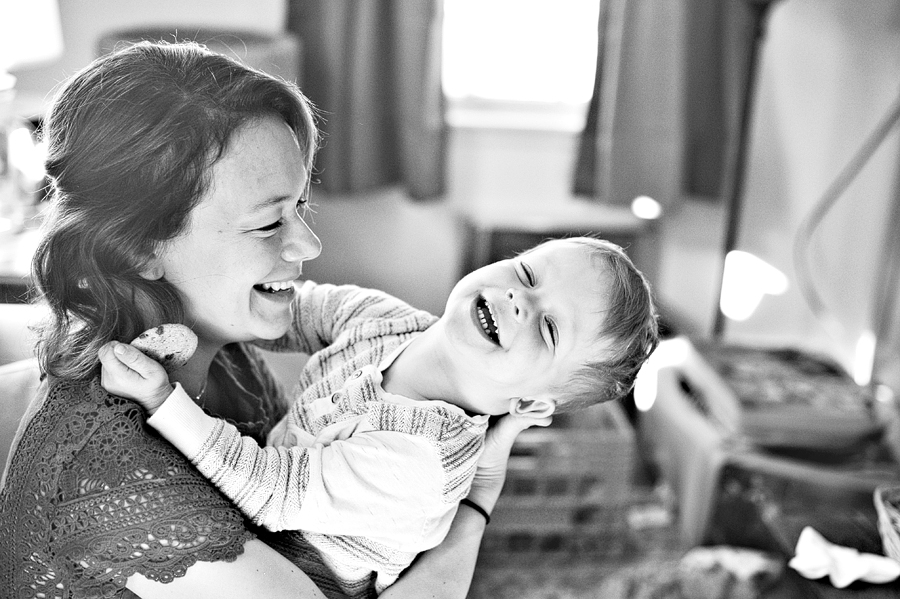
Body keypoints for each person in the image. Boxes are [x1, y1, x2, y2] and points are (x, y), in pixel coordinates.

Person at [0, 40, 544, 599]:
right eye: (267, 225)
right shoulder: (116, 478)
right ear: (138, 248)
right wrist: (477, 499)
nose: (306, 245)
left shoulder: (224, 357)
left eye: (300, 206)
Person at [99, 236, 660, 598]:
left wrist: (162, 401)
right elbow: (294, 311)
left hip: (291, 571)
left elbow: (270, 488)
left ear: (531, 406)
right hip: (264, 491)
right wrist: (199, 296)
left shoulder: (420, 461)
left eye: (549, 329)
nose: (520, 301)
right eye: (527, 274)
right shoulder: (390, 320)